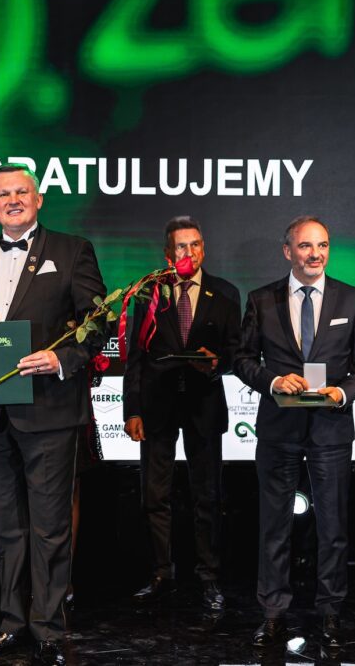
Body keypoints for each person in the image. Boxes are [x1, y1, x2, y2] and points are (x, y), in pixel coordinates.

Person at [0, 164, 106, 666]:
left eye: (21, 191)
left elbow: (97, 321)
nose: (13, 199)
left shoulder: (72, 250)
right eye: (3, 194)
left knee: (49, 526)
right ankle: (10, 622)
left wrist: (61, 358)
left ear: (39, 198)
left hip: (49, 408)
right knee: (6, 525)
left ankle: (47, 625)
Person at [233, 216, 355, 650]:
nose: (316, 254)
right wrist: (274, 381)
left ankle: (331, 612)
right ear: (288, 251)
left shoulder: (352, 298)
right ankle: (273, 613)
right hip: (279, 429)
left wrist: (343, 392)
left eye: (323, 245)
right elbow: (242, 359)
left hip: (331, 428)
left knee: (333, 526)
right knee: (274, 525)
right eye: (306, 246)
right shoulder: (261, 300)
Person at [124, 216, 240, 613]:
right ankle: (161, 573)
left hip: (204, 404)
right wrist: (132, 409)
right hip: (156, 405)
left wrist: (218, 361)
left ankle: (209, 575)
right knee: (155, 495)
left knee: (207, 494)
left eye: (194, 245)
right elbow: (135, 357)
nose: (188, 252)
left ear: (203, 248)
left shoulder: (225, 293)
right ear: (167, 254)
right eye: (180, 246)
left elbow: (237, 351)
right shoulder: (149, 293)